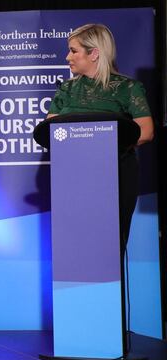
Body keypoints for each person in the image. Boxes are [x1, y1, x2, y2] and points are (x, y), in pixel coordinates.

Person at [47, 23, 154, 251]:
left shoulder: (127, 88)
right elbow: (50, 130)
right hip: (72, 178)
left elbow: (146, 131)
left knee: (110, 246)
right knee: (74, 246)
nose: (68, 57)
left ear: (94, 53)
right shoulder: (65, 90)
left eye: (74, 51)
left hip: (116, 175)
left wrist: (103, 147)